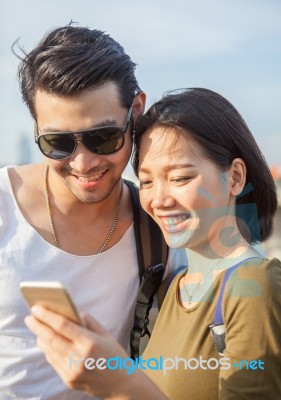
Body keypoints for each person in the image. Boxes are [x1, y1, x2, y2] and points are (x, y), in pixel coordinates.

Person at [25, 88, 281, 399]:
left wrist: (120, 384)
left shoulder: (255, 285)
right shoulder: (170, 288)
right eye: (146, 182)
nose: (158, 199)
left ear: (236, 178)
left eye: (180, 178)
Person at [0, 25, 186, 400]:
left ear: (135, 111)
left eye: (103, 138)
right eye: (58, 143)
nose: (83, 163)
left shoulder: (158, 231)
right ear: (36, 128)